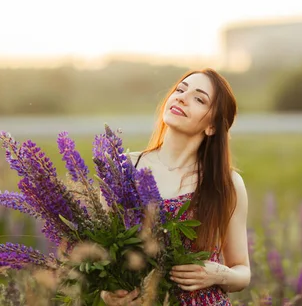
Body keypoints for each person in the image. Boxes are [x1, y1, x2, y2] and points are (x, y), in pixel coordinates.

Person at [101, 68, 250, 305]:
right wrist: (108, 293)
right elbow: (104, 254)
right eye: (180, 90)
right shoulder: (124, 168)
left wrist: (217, 273)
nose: (181, 97)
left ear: (212, 126)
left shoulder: (227, 184)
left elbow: (242, 270)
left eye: (199, 98)